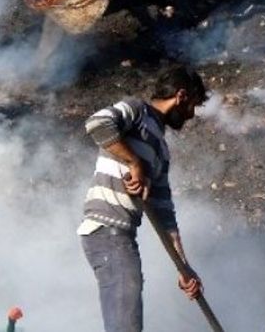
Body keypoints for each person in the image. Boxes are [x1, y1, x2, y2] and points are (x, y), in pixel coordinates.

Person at [78, 65, 209, 332]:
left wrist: (184, 269)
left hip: (123, 236)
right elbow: (97, 123)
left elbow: (164, 214)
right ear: (181, 96)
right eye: (193, 105)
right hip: (106, 231)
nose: (192, 115)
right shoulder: (136, 110)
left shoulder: (161, 149)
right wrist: (134, 162)